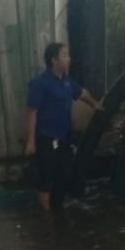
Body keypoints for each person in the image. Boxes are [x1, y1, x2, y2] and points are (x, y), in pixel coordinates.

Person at [25, 43, 103, 211]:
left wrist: (95, 104)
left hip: (64, 136)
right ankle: (45, 216)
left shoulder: (67, 81)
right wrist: (31, 141)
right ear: (54, 60)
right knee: (46, 175)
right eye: (65, 55)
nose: (69, 59)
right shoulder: (40, 83)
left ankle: (57, 208)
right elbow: (32, 112)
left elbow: (81, 93)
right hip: (46, 136)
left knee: (63, 173)